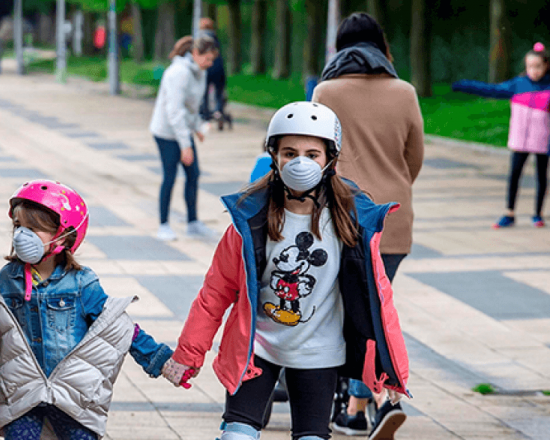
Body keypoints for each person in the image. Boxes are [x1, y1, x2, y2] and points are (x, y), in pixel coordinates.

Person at [161, 102, 410, 440]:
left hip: (320, 353)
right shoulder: (249, 219)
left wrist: (392, 369)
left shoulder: (351, 221)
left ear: (330, 160)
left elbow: (379, 298)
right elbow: (215, 292)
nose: (301, 162)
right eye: (290, 153)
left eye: (312, 153)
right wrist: (188, 353)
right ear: (273, 156)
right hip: (257, 348)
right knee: (236, 435)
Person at [0, 180, 174, 439]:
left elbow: (117, 328)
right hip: (23, 394)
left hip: (72, 396)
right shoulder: (8, 278)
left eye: (33, 228)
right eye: (18, 226)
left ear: (64, 235)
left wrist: (161, 361)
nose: (22, 235)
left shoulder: (81, 283)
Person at [311, 12, 424, 438]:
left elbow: (312, 151)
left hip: (340, 218)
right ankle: (363, 403)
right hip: (394, 221)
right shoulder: (406, 92)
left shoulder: (326, 91)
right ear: (382, 46)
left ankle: (362, 403)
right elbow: (414, 158)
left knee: (348, 314)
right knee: (373, 311)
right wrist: (391, 188)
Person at [452, 42, 550, 229]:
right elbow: (492, 90)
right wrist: (465, 86)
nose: (533, 70)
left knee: (541, 177)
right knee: (514, 175)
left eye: (537, 66)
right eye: (530, 66)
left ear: (546, 66)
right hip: (520, 140)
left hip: (542, 142)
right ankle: (509, 213)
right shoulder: (518, 84)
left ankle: (538, 214)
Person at [149, 35, 219, 241]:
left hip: (182, 131)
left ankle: (192, 222)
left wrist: (197, 127)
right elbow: (175, 112)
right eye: (208, 58)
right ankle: (163, 225)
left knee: (194, 174)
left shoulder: (200, 72)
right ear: (196, 54)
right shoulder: (178, 73)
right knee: (170, 176)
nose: (210, 63)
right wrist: (185, 145)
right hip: (165, 131)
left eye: (212, 59)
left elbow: (191, 107)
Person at [198, 18, 231, 130]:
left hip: (206, 68)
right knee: (218, 92)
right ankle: (219, 113)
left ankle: (206, 115)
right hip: (218, 67)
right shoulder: (215, 37)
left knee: (204, 93)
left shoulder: (200, 39)